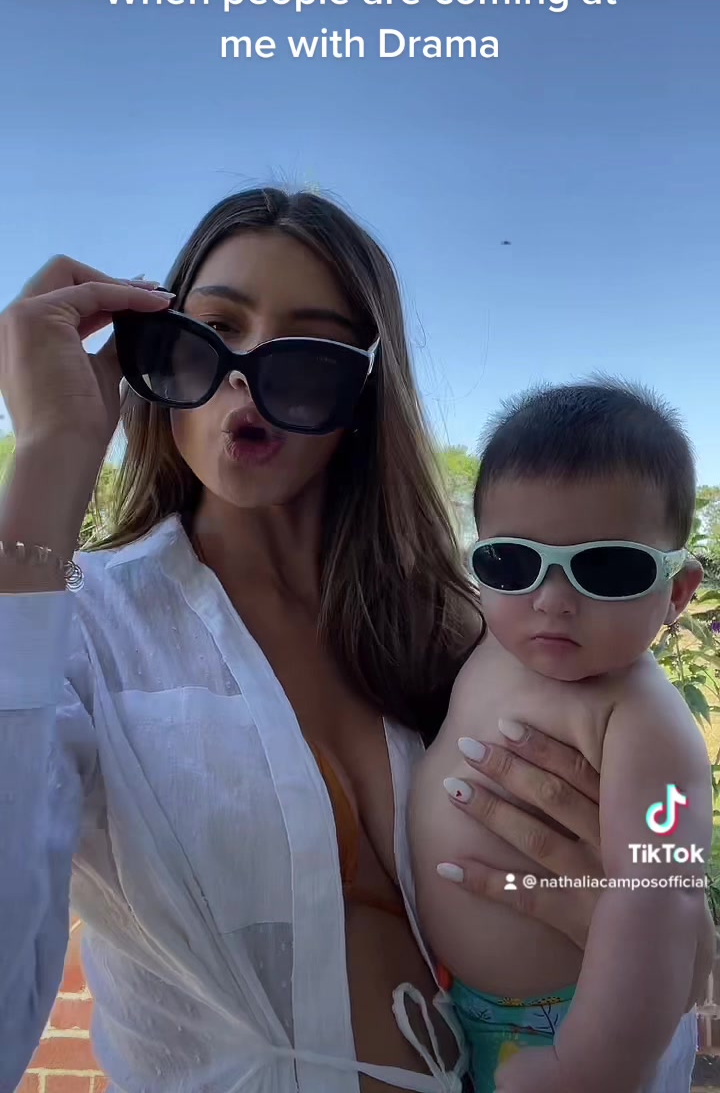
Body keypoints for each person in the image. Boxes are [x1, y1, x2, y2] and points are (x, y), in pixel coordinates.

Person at [0, 188, 709, 1093]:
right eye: (211, 332)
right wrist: (52, 454)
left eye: (308, 353)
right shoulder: (85, 631)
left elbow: (672, 906)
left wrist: (627, 919)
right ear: (159, 353)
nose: (245, 375)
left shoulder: (468, 631)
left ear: (365, 393)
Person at [410, 380, 713, 1093]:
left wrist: (587, 1067)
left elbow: (661, 895)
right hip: (460, 1002)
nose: (551, 600)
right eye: (512, 562)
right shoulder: (492, 647)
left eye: (606, 568)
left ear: (676, 592)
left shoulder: (647, 723)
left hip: (573, 1031)